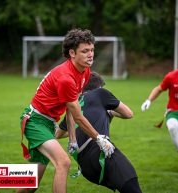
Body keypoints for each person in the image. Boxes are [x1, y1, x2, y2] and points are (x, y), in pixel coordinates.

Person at [17, 29, 115, 193]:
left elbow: (71, 108)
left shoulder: (84, 72)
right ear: (72, 53)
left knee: (30, 185)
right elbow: (78, 116)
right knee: (63, 162)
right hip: (35, 121)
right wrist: (99, 138)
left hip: (48, 123)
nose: (90, 55)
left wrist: (72, 139)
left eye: (92, 50)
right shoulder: (66, 78)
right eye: (85, 51)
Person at [55, 72, 142, 193]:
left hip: (85, 167)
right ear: (99, 87)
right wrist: (110, 112)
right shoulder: (100, 93)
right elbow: (128, 114)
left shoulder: (74, 105)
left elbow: (59, 134)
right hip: (100, 152)